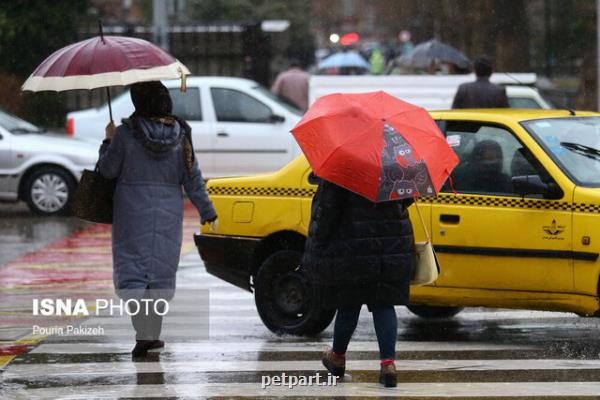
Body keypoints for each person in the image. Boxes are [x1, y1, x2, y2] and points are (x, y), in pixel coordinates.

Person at [97, 81, 217, 358]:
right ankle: (152, 335)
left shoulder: (125, 134)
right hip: (168, 213)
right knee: (161, 273)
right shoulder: (181, 135)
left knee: (134, 273)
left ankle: (143, 334)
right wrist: (207, 210)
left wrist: (108, 140)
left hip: (131, 212)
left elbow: (107, 170)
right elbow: (193, 177)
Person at [302, 179, 416, 388]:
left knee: (348, 303)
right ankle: (388, 366)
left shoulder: (342, 169)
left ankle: (337, 358)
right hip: (389, 246)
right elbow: (407, 198)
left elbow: (327, 211)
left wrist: (318, 240)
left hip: (351, 247)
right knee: (384, 303)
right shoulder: (395, 166)